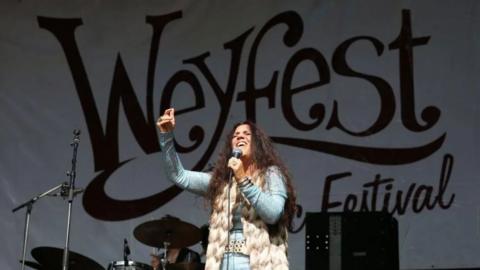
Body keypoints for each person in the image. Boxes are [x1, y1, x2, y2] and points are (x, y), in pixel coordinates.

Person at [157, 108, 297, 270]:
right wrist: (166, 137)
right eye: (236, 135)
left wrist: (243, 179)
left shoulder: (271, 174)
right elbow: (178, 175)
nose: (240, 137)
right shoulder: (221, 182)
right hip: (223, 262)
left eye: (246, 134)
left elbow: (273, 214)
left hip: (259, 262)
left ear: (257, 144)